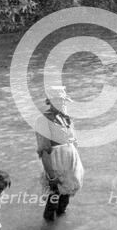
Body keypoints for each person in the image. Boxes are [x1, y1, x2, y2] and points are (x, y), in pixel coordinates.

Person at [35, 86, 84, 221]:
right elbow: (44, 151)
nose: (62, 104)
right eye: (59, 101)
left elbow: (73, 143)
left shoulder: (66, 119)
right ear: (50, 102)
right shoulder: (43, 120)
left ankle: (60, 227)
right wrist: (51, 177)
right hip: (55, 168)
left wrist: (76, 168)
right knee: (53, 200)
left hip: (69, 168)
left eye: (63, 101)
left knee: (65, 201)